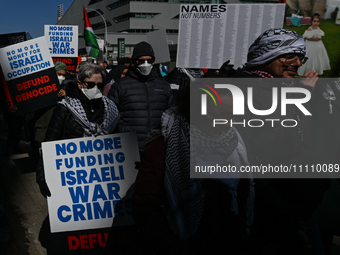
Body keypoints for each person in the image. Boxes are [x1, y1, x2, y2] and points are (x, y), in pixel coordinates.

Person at [232, 28, 330, 254]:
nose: (297, 63)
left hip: (294, 207)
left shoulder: (279, 87)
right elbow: (273, 144)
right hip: (273, 211)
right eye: (289, 55)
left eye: (300, 57)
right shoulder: (247, 90)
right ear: (267, 55)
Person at [130, 80, 255, 255]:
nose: (227, 123)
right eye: (218, 116)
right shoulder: (166, 147)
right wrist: (175, 246)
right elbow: (146, 208)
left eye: (231, 114)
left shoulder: (237, 142)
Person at [36, 63, 119, 197]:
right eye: (91, 85)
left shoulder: (111, 109)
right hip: (73, 176)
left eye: (100, 85)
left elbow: (120, 143)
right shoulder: (65, 108)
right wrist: (41, 175)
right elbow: (50, 142)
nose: (96, 88)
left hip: (102, 174)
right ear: (80, 84)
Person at [108, 41, 173, 158]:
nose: (145, 64)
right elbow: (110, 118)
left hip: (157, 148)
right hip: (129, 149)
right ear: (134, 62)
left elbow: (171, 116)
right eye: (141, 61)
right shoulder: (120, 86)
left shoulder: (164, 86)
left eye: (149, 60)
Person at [297, 12, 331, 76]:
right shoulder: (310, 29)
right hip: (310, 45)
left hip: (318, 45)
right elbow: (307, 37)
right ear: (312, 21)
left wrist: (320, 37)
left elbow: (321, 33)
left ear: (319, 22)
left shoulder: (318, 28)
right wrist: (315, 39)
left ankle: (317, 67)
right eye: (314, 21)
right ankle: (308, 68)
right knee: (309, 56)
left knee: (318, 56)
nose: (316, 23)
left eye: (318, 21)